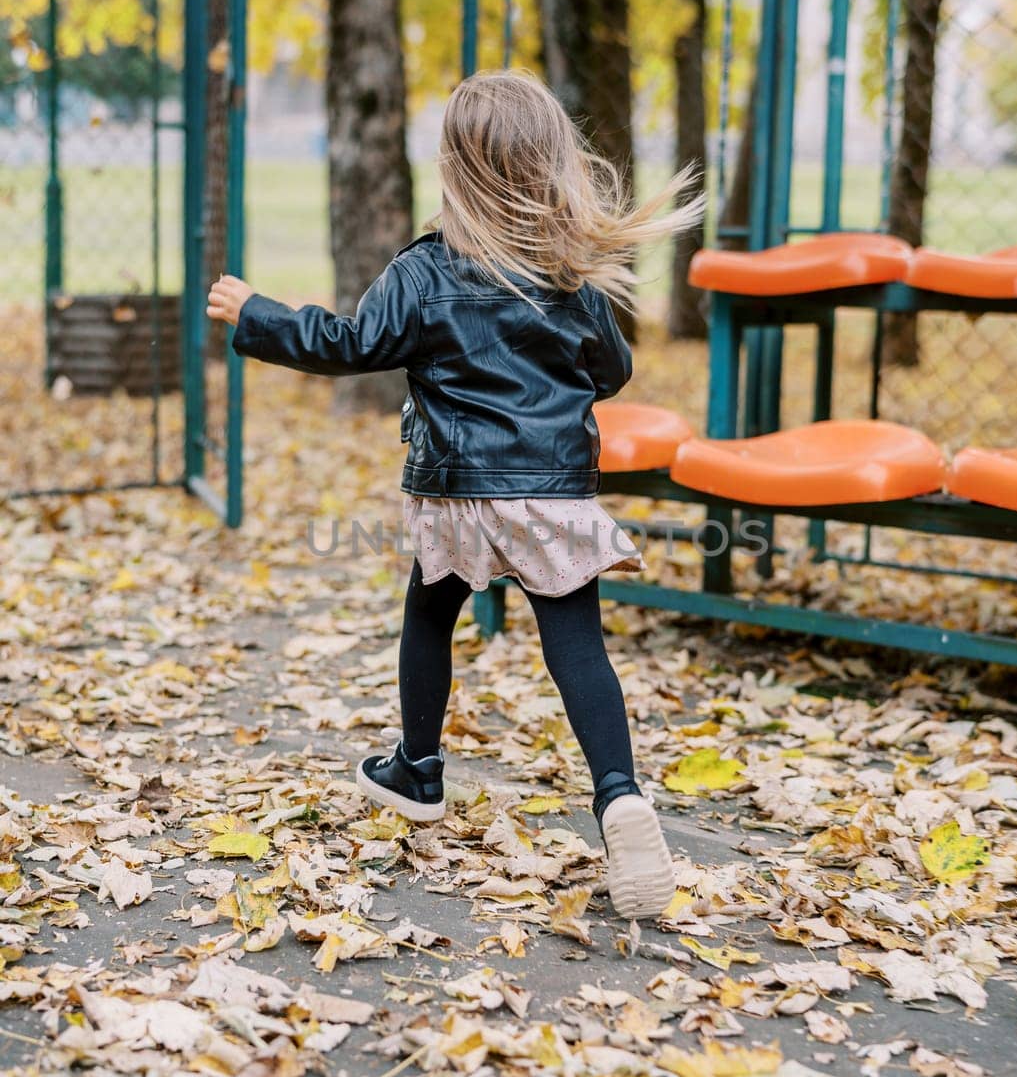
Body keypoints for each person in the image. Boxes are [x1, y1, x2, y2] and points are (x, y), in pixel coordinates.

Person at [207, 69, 703, 918]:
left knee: (429, 614)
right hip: (551, 493)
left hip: (457, 495)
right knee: (577, 643)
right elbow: (611, 373)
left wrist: (258, 313)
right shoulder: (570, 280)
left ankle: (418, 768)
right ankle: (618, 793)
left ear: (455, 169)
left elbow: (349, 343)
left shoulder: (424, 272)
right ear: (552, 165)